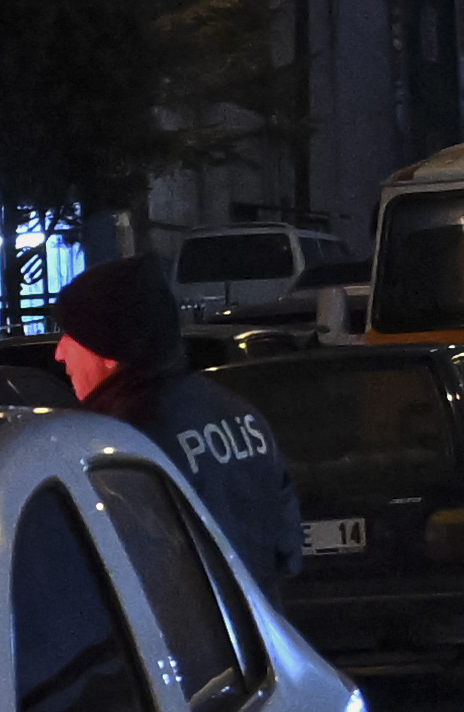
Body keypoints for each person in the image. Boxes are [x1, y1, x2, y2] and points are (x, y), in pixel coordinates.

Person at [50, 253, 308, 593]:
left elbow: (116, 579)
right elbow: (288, 551)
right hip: (258, 634)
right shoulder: (241, 415)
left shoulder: (120, 444)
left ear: (109, 349)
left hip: (175, 643)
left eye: (72, 336)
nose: (59, 352)